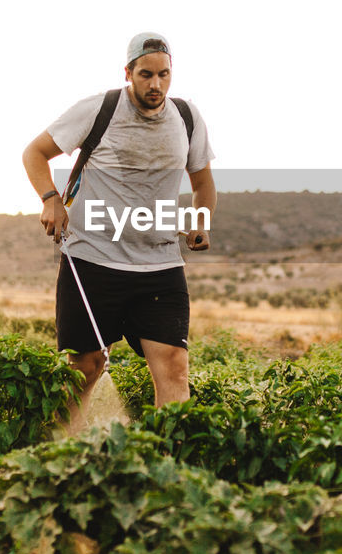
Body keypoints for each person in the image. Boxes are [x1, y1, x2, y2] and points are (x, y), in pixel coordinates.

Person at [22, 32, 216, 434]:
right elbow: (34, 152)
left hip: (160, 264)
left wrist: (201, 220)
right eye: (146, 74)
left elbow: (203, 183)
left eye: (164, 74)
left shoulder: (187, 118)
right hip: (92, 261)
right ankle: (62, 462)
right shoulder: (99, 109)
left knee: (175, 369)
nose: (156, 84)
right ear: (128, 73)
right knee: (83, 370)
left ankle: (169, 467)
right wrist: (49, 198)